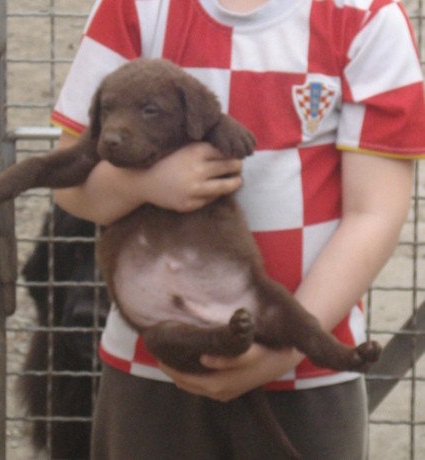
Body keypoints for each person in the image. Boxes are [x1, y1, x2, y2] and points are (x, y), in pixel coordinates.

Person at [51, 0, 425, 458]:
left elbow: (375, 213)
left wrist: (285, 349)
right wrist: (148, 185)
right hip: (154, 366)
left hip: (309, 371)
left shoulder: (366, 15)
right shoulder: (134, 7)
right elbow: (71, 187)